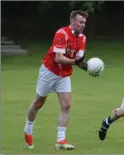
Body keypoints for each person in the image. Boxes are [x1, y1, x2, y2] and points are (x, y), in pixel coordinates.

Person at [24, 10, 99, 150]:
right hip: (49, 71)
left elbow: (79, 60)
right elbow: (58, 58)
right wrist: (77, 63)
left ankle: (60, 140)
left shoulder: (82, 38)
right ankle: (28, 129)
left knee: (66, 105)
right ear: (72, 21)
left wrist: (89, 68)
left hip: (64, 75)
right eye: (81, 22)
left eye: (84, 23)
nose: (83, 25)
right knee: (39, 102)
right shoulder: (62, 33)